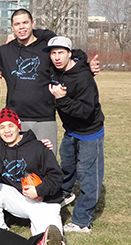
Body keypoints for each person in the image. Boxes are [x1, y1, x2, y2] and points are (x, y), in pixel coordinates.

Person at [0, 9, 99, 155]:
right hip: (16, 119)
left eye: (25, 22)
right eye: (17, 24)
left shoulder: (47, 48)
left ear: (32, 24)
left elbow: (70, 59)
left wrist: (87, 67)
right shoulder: (4, 51)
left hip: (45, 118)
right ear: (12, 28)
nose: (21, 27)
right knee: (20, 165)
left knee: (47, 164)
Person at [44, 36, 105, 233]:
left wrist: (62, 100)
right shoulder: (57, 70)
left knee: (88, 176)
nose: (56, 57)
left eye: (61, 52)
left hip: (89, 133)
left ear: (69, 54)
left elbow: (86, 111)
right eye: (53, 53)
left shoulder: (83, 77)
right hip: (70, 131)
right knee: (67, 166)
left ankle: (82, 221)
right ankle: (65, 193)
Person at [0, 108, 63, 235]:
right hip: (19, 200)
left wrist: (38, 190)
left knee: (48, 239)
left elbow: (56, 176)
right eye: (2, 127)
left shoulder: (37, 147)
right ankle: (0, 232)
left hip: (43, 200)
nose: (7, 130)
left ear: (18, 127)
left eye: (10, 125)